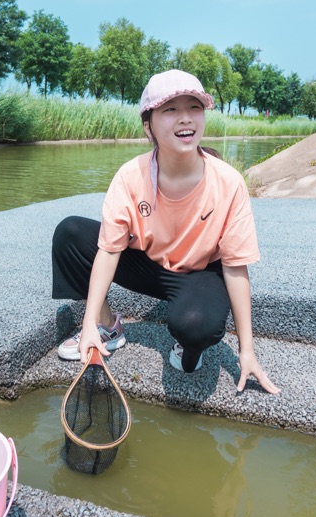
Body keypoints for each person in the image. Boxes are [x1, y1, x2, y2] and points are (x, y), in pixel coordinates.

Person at [51, 69, 280, 394]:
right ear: (149, 124)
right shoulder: (131, 176)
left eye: (194, 108)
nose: (185, 119)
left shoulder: (228, 183)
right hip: (148, 264)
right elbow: (110, 248)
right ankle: (107, 327)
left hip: (199, 273)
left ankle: (186, 343)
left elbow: (235, 265)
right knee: (70, 232)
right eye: (170, 109)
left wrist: (247, 351)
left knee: (194, 326)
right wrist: (87, 323)